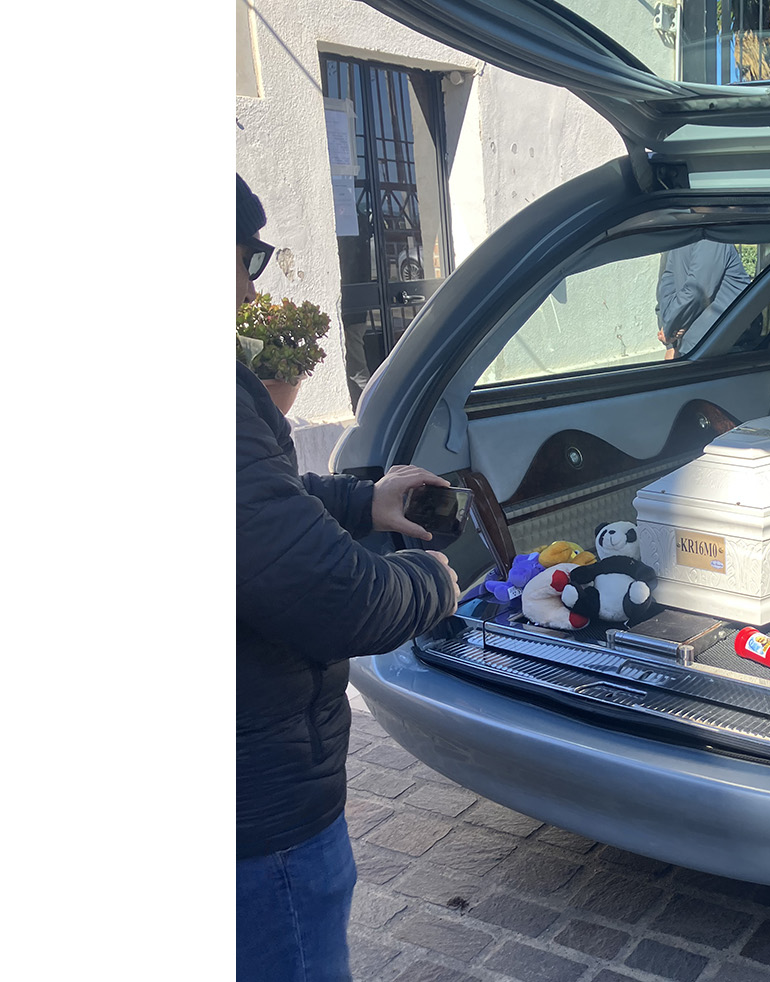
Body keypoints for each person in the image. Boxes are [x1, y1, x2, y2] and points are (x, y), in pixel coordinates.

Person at [235, 174, 461, 982]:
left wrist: (364, 501)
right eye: (250, 259)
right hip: (255, 822)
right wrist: (431, 583)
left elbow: (256, 509)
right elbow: (327, 595)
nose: (249, 285)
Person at [655, 240, 751, 359]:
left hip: (696, 346)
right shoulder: (713, 240)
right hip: (720, 346)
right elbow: (697, 292)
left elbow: (666, 290)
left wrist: (670, 331)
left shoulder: (677, 240)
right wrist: (670, 334)